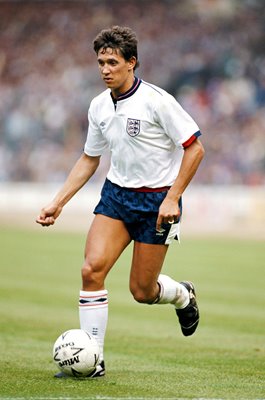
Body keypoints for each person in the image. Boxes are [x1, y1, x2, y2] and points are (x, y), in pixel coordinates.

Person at [36, 26, 205, 378]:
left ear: (132, 63)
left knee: (142, 292)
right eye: (100, 62)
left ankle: (182, 295)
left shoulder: (158, 101)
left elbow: (195, 147)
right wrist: (58, 202)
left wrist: (173, 198)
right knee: (91, 270)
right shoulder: (98, 106)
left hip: (157, 202)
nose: (105, 69)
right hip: (116, 197)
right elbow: (89, 159)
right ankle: (93, 359)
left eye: (112, 62)